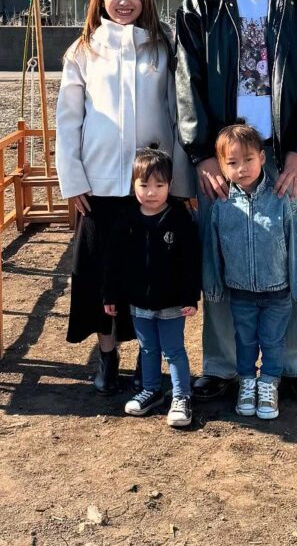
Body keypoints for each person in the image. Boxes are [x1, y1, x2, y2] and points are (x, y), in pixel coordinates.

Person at [176, 0, 297, 404]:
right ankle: (221, 365)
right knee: (221, 261)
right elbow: (188, 84)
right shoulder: (200, 6)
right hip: (225, 160)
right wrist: (202, 154)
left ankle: (295, 364)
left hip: (283, 159)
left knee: (293, 260)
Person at [55, 0, 191, 394]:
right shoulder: (83, 51)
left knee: (148, 277)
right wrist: (72, 178)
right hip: (99, 186)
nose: (124, 2)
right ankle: (107, 357)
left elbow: (175, 115)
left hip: (149, 188)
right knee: (100, 276)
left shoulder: (160, 47)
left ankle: (146, 360)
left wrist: (180, 183)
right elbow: (68, 119)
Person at [204, 125, 297, 420]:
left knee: (273, 340)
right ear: (221, 166)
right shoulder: (222, 206)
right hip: (240, 291)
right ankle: (247, 382)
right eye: (232, 163)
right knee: (244, 340)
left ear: (263, 158)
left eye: (249, 160)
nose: (242, 169)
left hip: (277, 291)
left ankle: (269, 383)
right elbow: (213, 252)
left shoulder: (280, 199)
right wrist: (213, 286)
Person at [104, 148, 200, 428]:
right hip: (138, 302)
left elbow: (191, 262)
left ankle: (182, 395)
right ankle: (151, 389)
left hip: (172, 302)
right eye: (144, 185)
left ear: (170, 185)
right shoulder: (127, 220)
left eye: (159, 185)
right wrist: (110, 294)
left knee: (173, 350)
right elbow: (114, 261)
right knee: (147, 350)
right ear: (133, 185)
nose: (151, 192)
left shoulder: (179, 219)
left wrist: (191, 296)